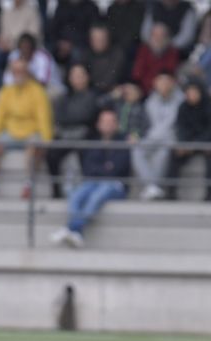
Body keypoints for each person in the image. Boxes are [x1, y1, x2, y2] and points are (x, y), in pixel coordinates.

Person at [0, 59, 52, 199]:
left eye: (21, 71)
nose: (18, 74)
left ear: (27, 72)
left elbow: (43, 118)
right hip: (10, 134)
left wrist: (47, 140)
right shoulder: (6, 91)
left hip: (31, 133)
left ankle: (28, 185)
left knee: (34, 147)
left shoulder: (38, 91)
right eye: (15, 71)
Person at [51, 109, 130, 249]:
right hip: (93, 181)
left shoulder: (123, 142)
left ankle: (71, 228)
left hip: (115, 185)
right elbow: (89, 168)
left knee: (97, 195)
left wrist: (104, 170)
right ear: (98, 124)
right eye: (104, 121)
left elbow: (118, 170)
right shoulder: (92, 142)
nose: (107, 125)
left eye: (110, 121)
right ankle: (76, 232)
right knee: (76, 195)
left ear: (116, 124)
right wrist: (106, 168)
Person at [46, 64, 98, 199]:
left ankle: (86, 190)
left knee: (86, 153)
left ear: (87, 77)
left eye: (81, 75)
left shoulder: (93, 96)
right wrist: (73, 118)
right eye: (74, 76)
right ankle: (56, 190)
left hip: (84, 136)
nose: (78, 79)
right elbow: (59, 117)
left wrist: (70, 118)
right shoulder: (63, 97)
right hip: (65, 135)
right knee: (51, 154)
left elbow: (87, 116)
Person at [132, 71, 182, 201]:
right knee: (137, 150)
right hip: (152, 137)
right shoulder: (150, 100)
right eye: (160, 82)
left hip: (170, 138)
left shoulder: (181, 100)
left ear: (172, 83)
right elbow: (143, 123)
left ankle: (151, 187)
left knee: (161, 155)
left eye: (166, 81)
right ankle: (152, 187)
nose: (163, 85)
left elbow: (173, 124)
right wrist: (137, 135)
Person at [166, 79, 211, 201]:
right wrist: (184, 143)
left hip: (205, 143)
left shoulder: (208, 106)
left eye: (194, 92)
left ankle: (209, 193)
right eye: (189, 92)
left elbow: (208, 130)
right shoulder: (183, 107)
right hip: (188, 143)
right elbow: (180, 127)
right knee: (173, 154)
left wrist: (196, 144)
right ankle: (170, 191)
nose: (191, 95)